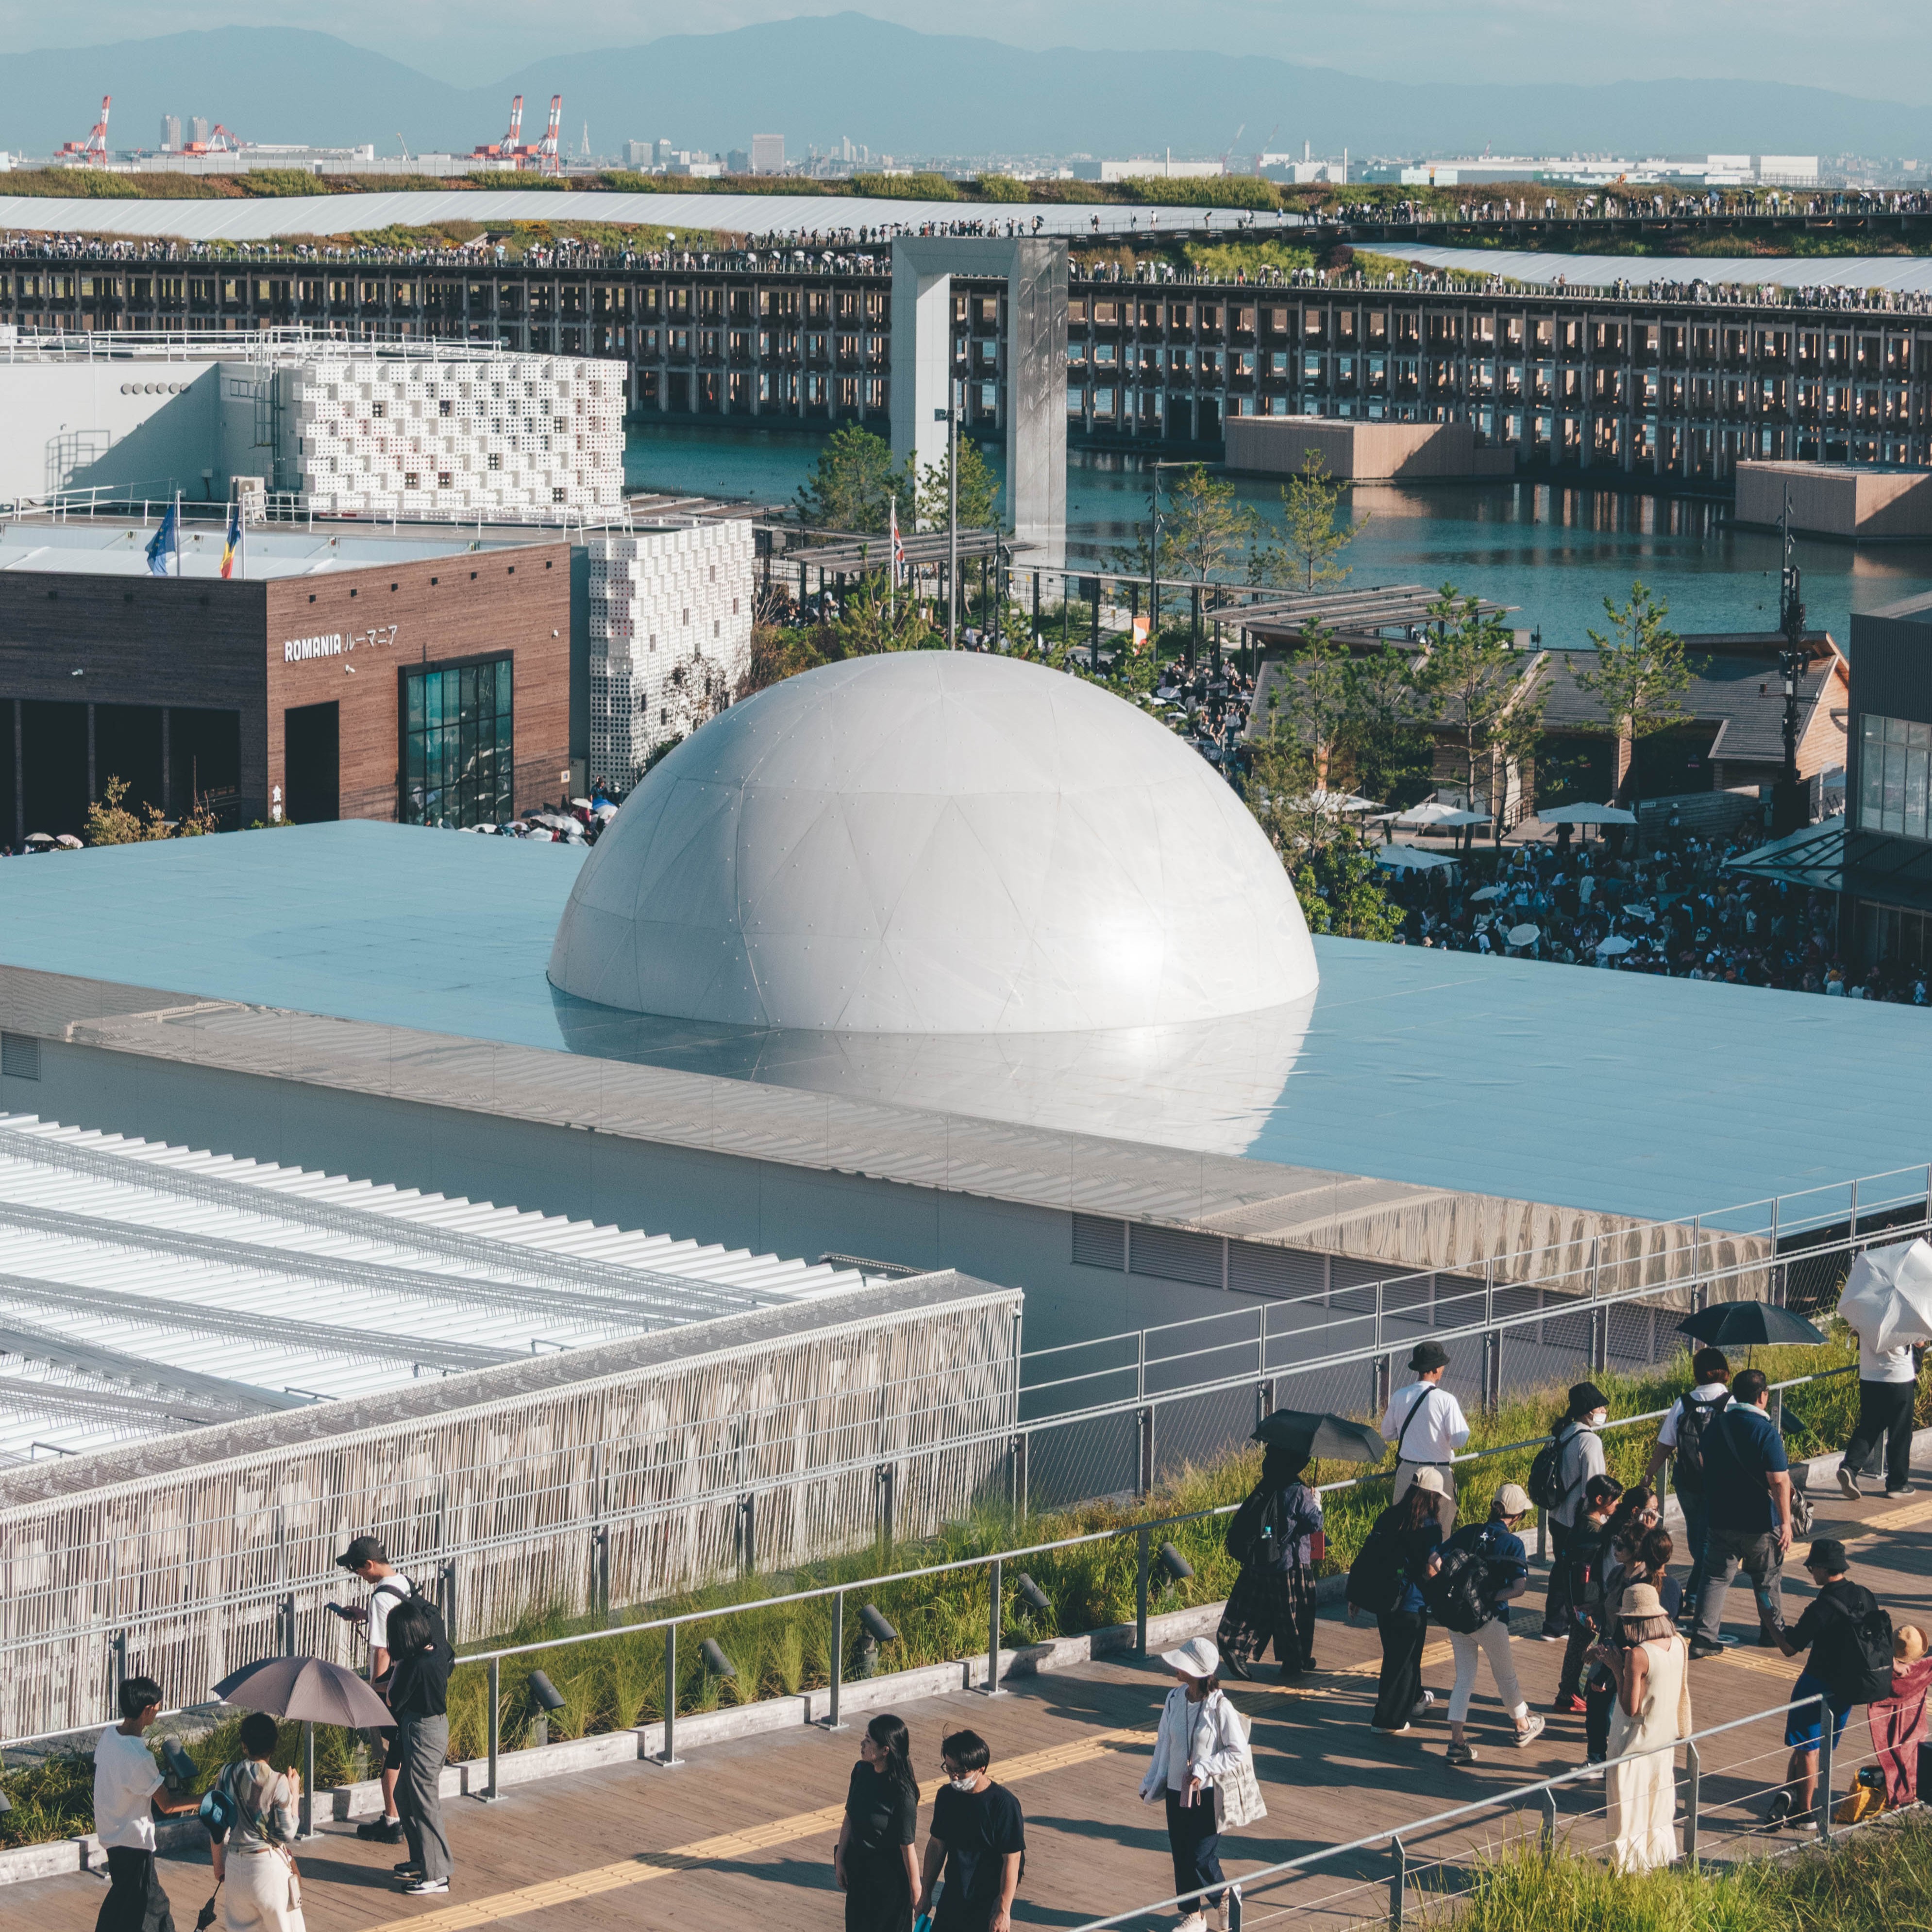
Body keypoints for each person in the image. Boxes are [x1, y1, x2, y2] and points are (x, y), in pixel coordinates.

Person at [1764, 1540, 1887, 1826]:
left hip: (1815, 1685)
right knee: (1812, 1746)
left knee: (1808, 1748)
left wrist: (1770, 1623)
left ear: (1822, 1568)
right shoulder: (1864, 1595)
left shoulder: (1821, 1607)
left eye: (1812, 1568)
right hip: (1848, 1688)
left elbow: (1790, 1647)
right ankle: (1790, 1794)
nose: (1811, 1572)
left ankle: (1805, 1813)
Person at [1137, 1638, 1251, 1932]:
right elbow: (1164, 1743)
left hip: (1208, 1794)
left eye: (1183, 1664)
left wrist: (1204, 1768)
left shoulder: (1220, 1707)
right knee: (1181, 1855)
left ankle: (1224, 1897)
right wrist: (1150, 1781)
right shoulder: (1174, 1699)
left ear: (1198, 1672)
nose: (1176, 1668)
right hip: (1178, 1791)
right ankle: (1194, 1915)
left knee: (1201, 1856)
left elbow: (1237, 1751)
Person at [1437, 1483, 1545, 1766]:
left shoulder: (1470, 1532)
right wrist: (1489, 1597)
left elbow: (1436, 1560)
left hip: (1458, 1617)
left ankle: (1456, 1742)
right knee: (1505, 1676)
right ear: (1517, 1516)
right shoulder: (1512, 1544)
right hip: (1491, 1620)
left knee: (1464, 1680)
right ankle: (1523, 1726)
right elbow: (1519, 1588)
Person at [1689, 1368, 1793, 1660]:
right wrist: (1786, 1522)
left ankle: (1703, 1637)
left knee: (1715, 1578)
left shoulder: (1716, 1426)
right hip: (1760, 1523)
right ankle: (1772, 1632)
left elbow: (1702, 1461)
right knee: (1767, 1578)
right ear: (1763, 1396)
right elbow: (1779, 1481)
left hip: (1721, 1518)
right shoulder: (1766, 1432)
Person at [93, 1675, 200, 1932]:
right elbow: (168, 1805)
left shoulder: (109, 1737)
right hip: (134, 1844)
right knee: (153, 1907)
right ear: (148, 1710)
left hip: (112, 1838)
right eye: (158, 1707)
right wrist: (205, 1797)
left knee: (127, 1905)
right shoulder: (139, 1757)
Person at [1217, 1440, 1325, 1683]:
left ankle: (1235, 1647)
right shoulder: (1299, 1491)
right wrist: (1316, 1503)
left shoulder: (1268, 1483)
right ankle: (1295, 1660)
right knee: (1294, 1615)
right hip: (1291, 1563)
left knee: (1254, 1610)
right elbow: (1315, 1524)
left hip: (1263, 1558)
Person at [1603, 1584, 1693, 1872]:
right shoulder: (1679, 1643)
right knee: (1658, 1812)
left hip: (1633, 1746)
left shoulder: (1638, 1656)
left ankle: (1629, 1872)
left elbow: (1631, 1708)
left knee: (1628, 1816)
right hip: (1662, 1744)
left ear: (1633, 1621)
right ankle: (1658, 1863)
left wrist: (1617, 1668)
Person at [334, 1536, 414, 1845]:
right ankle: (399, 1814)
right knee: (399, 1750)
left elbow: (381, 1650)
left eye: (356, 1569)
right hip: (407, 1679)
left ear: (369, 1564)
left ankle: (392, 1821)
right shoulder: (403, 1583)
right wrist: (365, 1616)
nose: (357, 1574)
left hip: (389, 1683)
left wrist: (375, 1690)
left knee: (389, 1753)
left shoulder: (380, 1597)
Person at [1643, 1349, 1731, 1626]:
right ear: (1725, 1371)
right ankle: (1693, 1596)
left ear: (1697, 1373)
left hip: (1687, 1481)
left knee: (1697, 1537)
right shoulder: (1731, 1402)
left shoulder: (1683, 1403)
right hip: (1719, 1483)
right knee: (1708, 1542)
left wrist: (1650, 1472)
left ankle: (1694, 1589)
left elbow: (1666, 1443)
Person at [1357, 1468, 1446, 1734]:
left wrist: (1357, 1595)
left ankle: (1416, 1699)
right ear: (1432, 1497)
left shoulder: (1389, 1516)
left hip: (1385, 1599)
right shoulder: (1430, 1527)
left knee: (1396, 1654)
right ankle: (1387, 1720)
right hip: (1412, 1602)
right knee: (1403, 1662)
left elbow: (1370, 1554)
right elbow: (1431, 1569)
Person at [383, 1596, 454, 1895]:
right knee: (403, 1794)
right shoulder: (437, 1652)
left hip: (424, 1733)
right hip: (431, 1729)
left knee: (425, 1802)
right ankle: (422, 1859)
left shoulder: (414, 1665)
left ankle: (437, 1875)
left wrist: (397, 1666)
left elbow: (393, 1699)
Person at [919, 1730, 1024, 1932]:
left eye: (960, 1771)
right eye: (949, 1768)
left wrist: (1003, 1910)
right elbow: (937, 1845)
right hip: (952, 1898)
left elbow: (1012, 1858)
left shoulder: (1003, 1805)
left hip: (987, 1905)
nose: (954, 1776)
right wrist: (926, 1894)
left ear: (981, 1768)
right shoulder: (947, 1796)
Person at [209, 1712, 304, 1932]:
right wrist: (295, 1795)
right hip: (267, 1868)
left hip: (235, 1866)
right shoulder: (278, 1781)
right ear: (273, 1746)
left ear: (244, 1746)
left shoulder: (227, 1773)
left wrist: (218, 1865)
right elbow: (287, 1833)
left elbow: (217, 1824)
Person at [836, 1714, 919, 1932]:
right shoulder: (861, 1771)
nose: (862, 1744)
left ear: (885, 1750)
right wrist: (840, 1858)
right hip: (860, 1874)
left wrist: (916, 1890)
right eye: (864, 1737)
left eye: (869, 1740)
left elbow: (907, 1846)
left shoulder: (903, 1793)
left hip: (889, 1884)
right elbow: (850, 1817)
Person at [1539, 1383, 1610, 1639]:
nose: (1604, 1412)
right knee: (1579, 1573)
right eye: (1600, 1408)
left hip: (1557, 1516)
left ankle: (1554, 1625)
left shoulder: (1564, 1433)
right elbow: (1596, 1485)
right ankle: (1570, 1622)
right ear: (1588, 1411)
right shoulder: (1590, 1441)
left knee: (1561, 1568)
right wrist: (1602, 1517)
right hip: (1578, 1519)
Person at [1378, 1344, 1471, 1532]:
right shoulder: (1446, 1400)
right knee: (1440, 1531)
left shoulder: (1399, 1396)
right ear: (1436, 1369)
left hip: (1407, 1472)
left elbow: (1387, 1433)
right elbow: (1459, 1440)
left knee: (1402, 1529)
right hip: (1439, 1473)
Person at [1551, 1475, 1624, 1714]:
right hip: (1585, 1602)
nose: (1617, 1504)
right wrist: (1589, 1606)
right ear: (1600, 1500)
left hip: (1577, 1599)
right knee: (1580, 1648)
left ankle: (1567, 1693)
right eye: (1614, 1500)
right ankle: (1568, 1695)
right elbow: (1588, 1574)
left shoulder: (1581, 1524)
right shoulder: (1594, 1533)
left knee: (1577, 1645)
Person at [1837, 1325, 1923, 1499]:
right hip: (1898, 1376)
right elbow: (1920, 1342)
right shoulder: (1904, 1311)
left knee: (1870, 1425)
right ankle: (1897, 1484)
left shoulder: (1866, 1310)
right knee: (1900, 1432)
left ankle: (1850, 1467)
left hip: (1869, 1376)